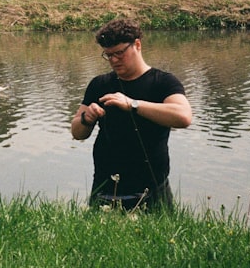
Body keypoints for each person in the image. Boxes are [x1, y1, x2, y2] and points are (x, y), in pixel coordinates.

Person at [71, 18, 192, 210]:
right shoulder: (99, 84)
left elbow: (183, 116)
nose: (113, 60)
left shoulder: (163, 82)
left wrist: (133, 104)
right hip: (105, 187)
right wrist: (87, 118)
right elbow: (77, 132)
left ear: (137, 45)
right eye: (108, 55)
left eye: (119, 53)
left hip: (151, 190)